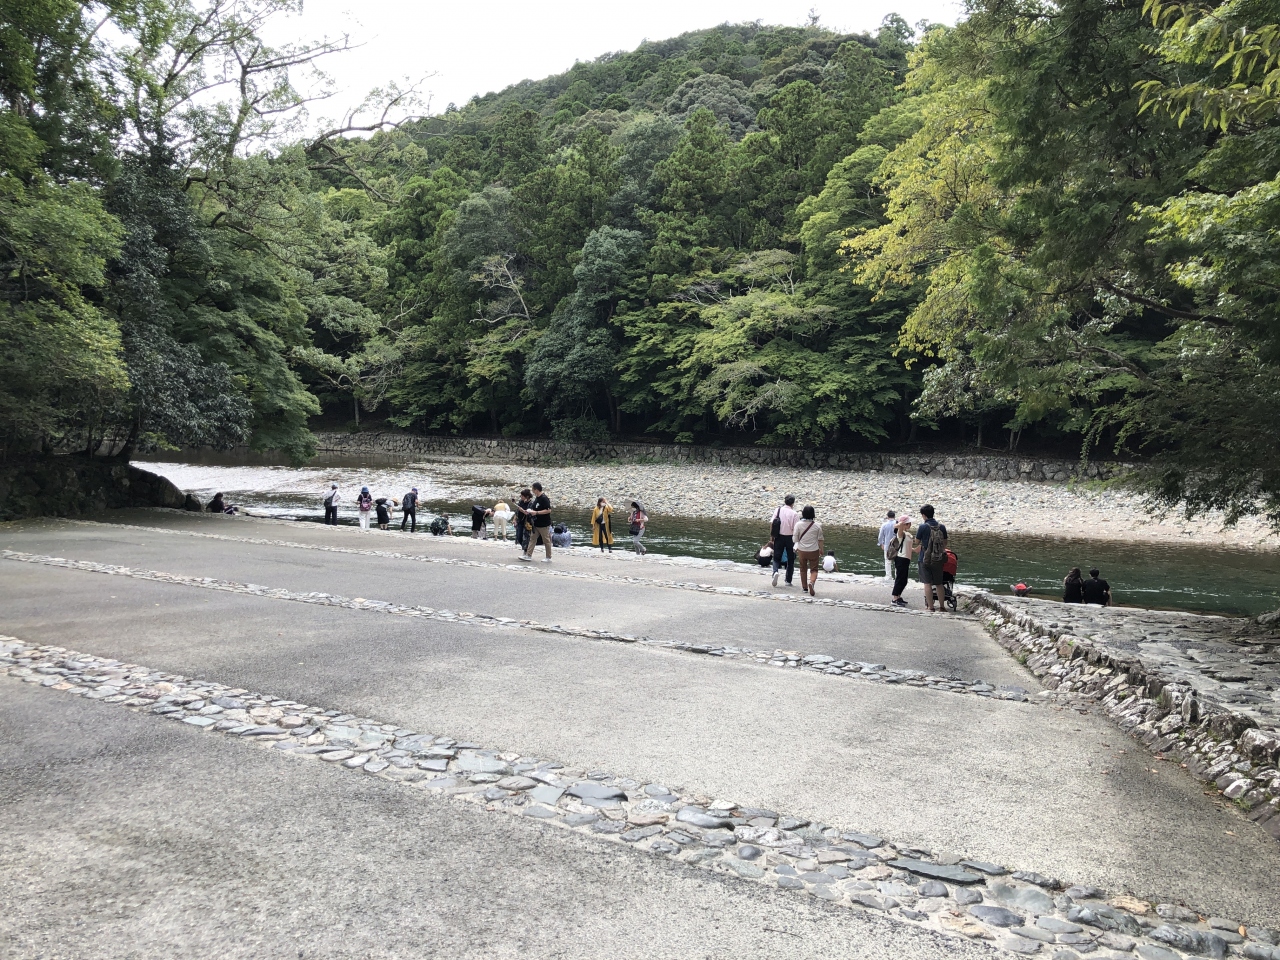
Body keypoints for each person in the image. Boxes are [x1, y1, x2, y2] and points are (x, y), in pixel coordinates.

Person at [915, 503, 949, 612]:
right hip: (938, 558)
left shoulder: (922, 527)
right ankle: (942, 606)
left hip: (924, 558)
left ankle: (931, 607)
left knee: (927, 583)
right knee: (939, 583)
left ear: (924, 515)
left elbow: (917, 541)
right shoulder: (941, 527)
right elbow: (945, 543)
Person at [793, 505, 825, 597]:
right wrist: (821, 549)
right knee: (814, 569)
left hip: (802, 550)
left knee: (803, 568)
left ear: (803, 513)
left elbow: (795, 539)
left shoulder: (798, 525)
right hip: (814, 550)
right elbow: (820, 539)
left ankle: (804, 587)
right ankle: (811, 582)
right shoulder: (817, 526)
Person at [769, 495, 798, 588]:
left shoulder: (778, 510)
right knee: (790, 559)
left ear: (785, 501)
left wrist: (772, 536)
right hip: (790, 538)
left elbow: (772, 523)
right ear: (793, 503)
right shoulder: (794, 514)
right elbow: (796, 529)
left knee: (777, 557)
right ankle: (788, 580)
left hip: (779, 536)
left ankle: (775, 572)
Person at [521, 482, 553, 561]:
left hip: (544, 524)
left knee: (546, 540)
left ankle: (548, 557)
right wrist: (529, 511)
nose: (532, 491)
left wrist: (537, 513)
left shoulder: (544, 498)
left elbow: (548, 510)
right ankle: (528, 555)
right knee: (532, 539)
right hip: (535, 523)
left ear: (536, 490)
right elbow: (534, 508)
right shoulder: (537, 498)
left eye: (533, 489)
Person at [889, 514, 914, 607]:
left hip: (906, 558)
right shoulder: (901, 533)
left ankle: (898, 596)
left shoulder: (907, 534)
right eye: (908, 523)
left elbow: (907, 546)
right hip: (901, 558)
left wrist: (915, 550)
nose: (910, 525)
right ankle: (895, 598)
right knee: (900, 579)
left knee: (904, 580)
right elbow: (898, 526)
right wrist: (901, 523)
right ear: (904, 524)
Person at [876, 509, 898, 579]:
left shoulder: (884, 525)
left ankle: (888, 576)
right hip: (897, 546)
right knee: (897, 561)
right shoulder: (897, 524)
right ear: (894, 516)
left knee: (887, 561)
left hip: (887, 545)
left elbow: (880, 536)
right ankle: (897, 576)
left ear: (887, 517)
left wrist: (881, 543)